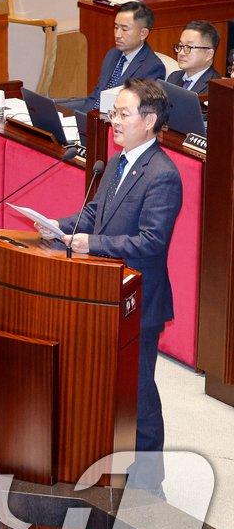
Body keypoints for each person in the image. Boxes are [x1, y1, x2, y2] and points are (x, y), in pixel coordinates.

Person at [52, 78, 181, 493]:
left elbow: (151, 241)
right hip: (103, 293)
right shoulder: (118, 161)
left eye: (122, 114)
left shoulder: (163, 175)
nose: (114, 122)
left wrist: (93, 244)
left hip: (139, 301)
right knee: (106, 385)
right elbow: (92, 215)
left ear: (150, 120)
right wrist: (55, 227)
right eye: (113, 113)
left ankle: (149, 483)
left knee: (138, 392)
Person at [64, 3, 164, 114]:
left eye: (124, 29)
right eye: (116, 27)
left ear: (143, 33)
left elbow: (138, 113)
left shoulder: (152, 67)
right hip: (93, 119)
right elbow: (96, 95)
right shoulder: (112, 54)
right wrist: (82, 119)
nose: (117, 34)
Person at [168, 20, 219, 94]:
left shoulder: (215, 88)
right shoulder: (173, 78)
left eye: (189, 47)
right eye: (180, 46)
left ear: (209, 54)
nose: (181, 53)